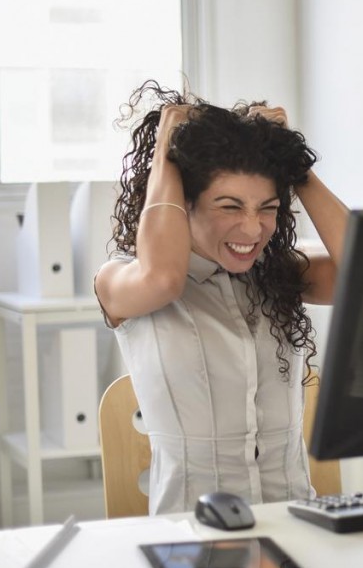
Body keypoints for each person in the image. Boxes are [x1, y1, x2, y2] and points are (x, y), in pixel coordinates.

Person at [95, 81, 348, 514]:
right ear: (182, 203)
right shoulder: (121, 279)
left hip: (296, 525)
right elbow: (163, 279)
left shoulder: (277, 272)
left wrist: (294, 163)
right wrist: (166, 154)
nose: (252, 230)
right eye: (229, 207)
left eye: (267, 208)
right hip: (192, 537)